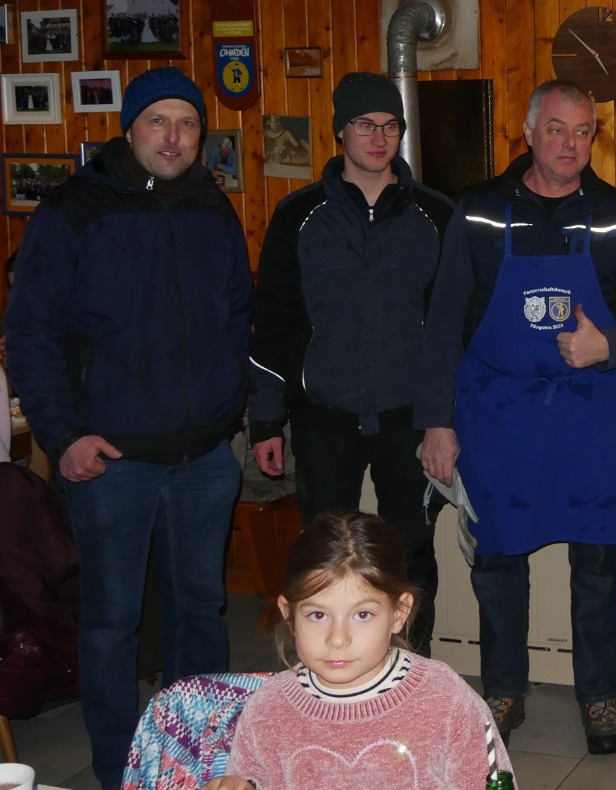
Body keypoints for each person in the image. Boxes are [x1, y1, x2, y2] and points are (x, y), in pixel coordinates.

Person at [5, 66, 250, 790]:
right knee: (112, 621)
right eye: (157, 121)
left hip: (204, 455)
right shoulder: (73, 211)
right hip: (110, 461)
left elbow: (237, 313)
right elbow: (30, 333)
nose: (172, 137)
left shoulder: (212, 208)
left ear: (200, 135)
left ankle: (195, 757)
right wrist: (63, 435)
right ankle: (119, 767)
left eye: (187, 123)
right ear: (130, 128)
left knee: (201, 611)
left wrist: (229, 406)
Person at [417, 79, 616, 755]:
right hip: (497, 415)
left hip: (590, 413)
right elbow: (443, 322)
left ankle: (599, 695)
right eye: (556, 129)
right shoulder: (477, 212)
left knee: (596, 562)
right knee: (498, 558)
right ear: (528, 132)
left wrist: (608, 346)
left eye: (583, 132)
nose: (570, 144)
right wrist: (437, 421)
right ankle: (504, 689)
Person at [248, 71, 454, 653]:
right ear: (340, 131)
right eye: (365, 125)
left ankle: (411, 673)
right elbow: (273, 322)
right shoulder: (298, 215)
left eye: (390, 126)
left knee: (410, 556)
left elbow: (453, 330)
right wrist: (266, 421)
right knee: (325, 559)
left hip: (408, 420)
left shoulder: (437, 214)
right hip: (323, 419)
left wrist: (446, 418)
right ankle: (327, 672)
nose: (379, 138)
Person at [204, 510, 512, 790]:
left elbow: (490, 780)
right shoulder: (267, 711)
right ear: (289, 615)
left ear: (399, 613)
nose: (338, 639)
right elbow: (248, 776)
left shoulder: (445, 699)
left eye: (362, 614)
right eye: (318, 615)